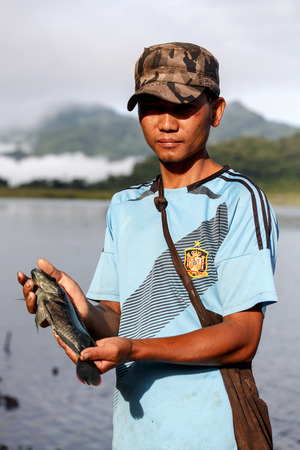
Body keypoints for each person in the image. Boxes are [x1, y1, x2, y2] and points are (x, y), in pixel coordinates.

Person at [18, 42, 278, 449]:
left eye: (184, 106)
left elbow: (243, 336)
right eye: (152, 106)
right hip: (135, 436)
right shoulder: (125, 206)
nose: (166, 123)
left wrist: (134, 349)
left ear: (217, 110)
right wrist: (77, 306)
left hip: (215, 435)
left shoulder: (240, 200)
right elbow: (120, 321)